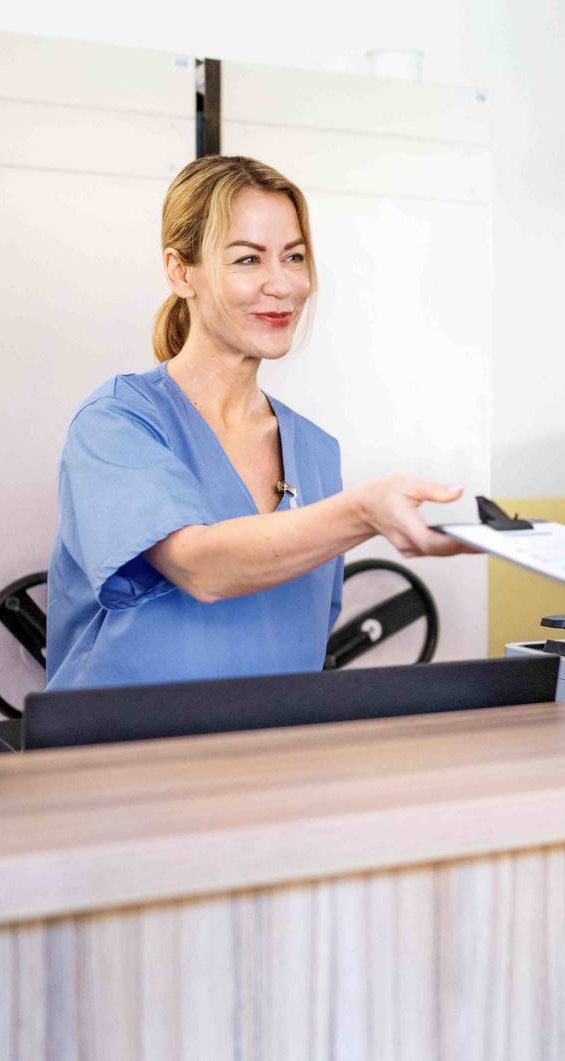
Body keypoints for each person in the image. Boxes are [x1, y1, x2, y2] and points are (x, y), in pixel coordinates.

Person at [46, 156, 467, 690]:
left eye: (294, 256)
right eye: (248, 260)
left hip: (274, 756)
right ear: (180, 272)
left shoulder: (314, 450)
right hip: (125, 757)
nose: (282, 284)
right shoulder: (117, 424)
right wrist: (365, 512)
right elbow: (201, 567)